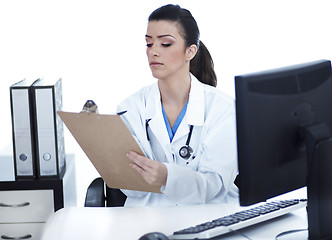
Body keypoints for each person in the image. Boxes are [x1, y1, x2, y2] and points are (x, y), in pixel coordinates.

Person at [117, 4, 238, 206]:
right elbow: (132, 189)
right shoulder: (130, 108)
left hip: (209, 217)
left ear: (190, 51)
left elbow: (214, 184)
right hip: (149, 220)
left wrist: (167, 177)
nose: (153, 52)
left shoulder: (222, 109)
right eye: (148, 44)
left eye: (165, 44)